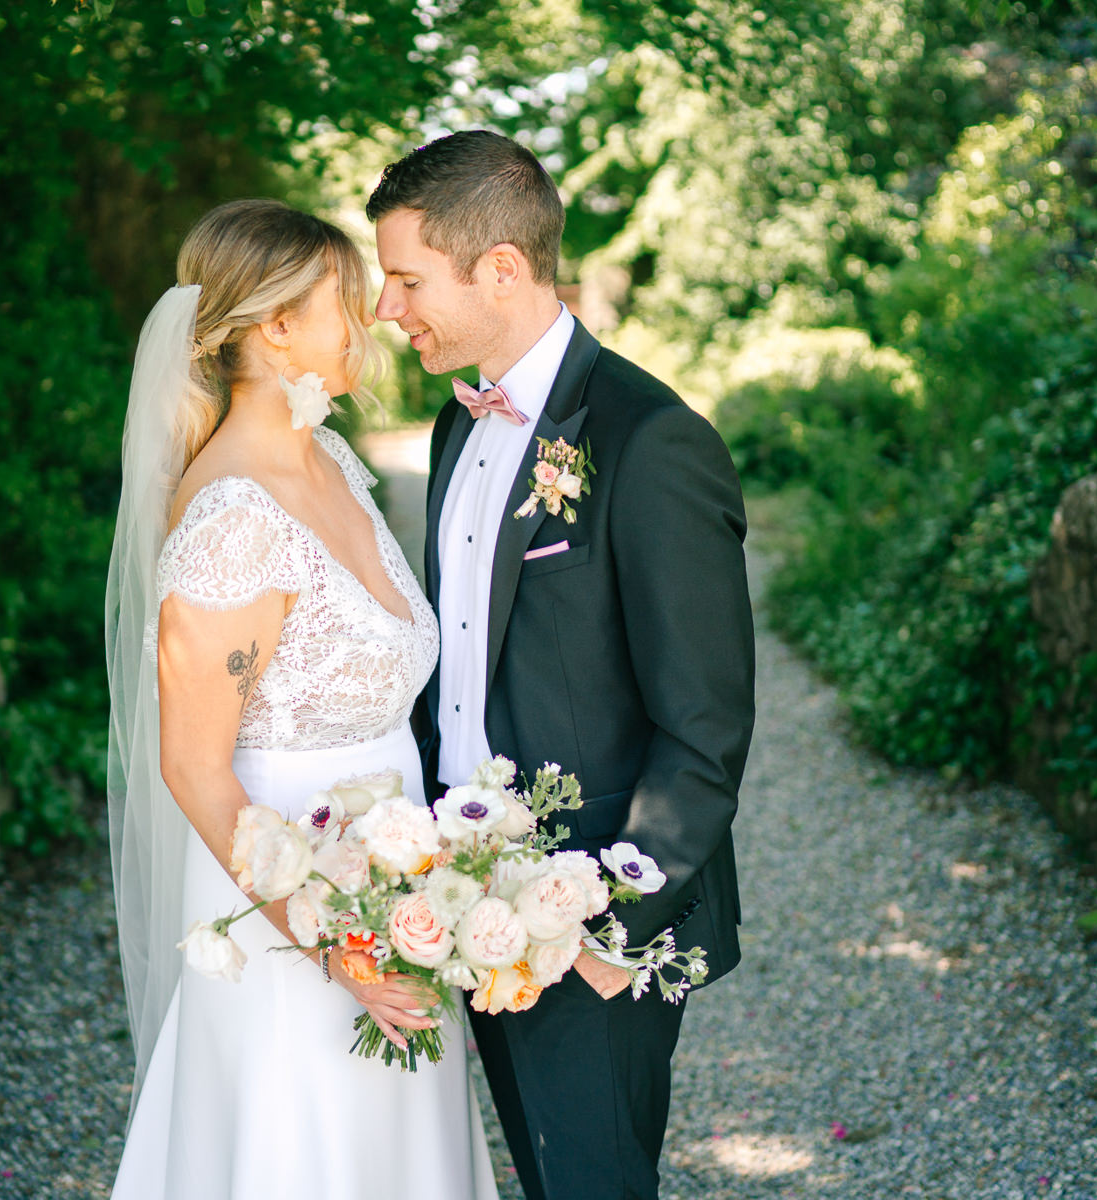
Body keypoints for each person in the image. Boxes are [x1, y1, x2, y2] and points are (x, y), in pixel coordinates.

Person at [368, 130, 757, 1200]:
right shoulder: (460, 427)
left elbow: (706, 724)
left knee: (593, 1182)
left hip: (589, 912)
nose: (387, 310)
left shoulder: (651, 440)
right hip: (471, 904)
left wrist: (607, 925)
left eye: (406, 279)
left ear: (500, 267)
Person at [104, 198, 497, 1199]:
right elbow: (193, 769)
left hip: (396, 888)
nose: (369, 331)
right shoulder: (234, 514)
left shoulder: (329, 461)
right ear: (275, 328)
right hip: (290, 910)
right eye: (348, 309)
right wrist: (338, 946)